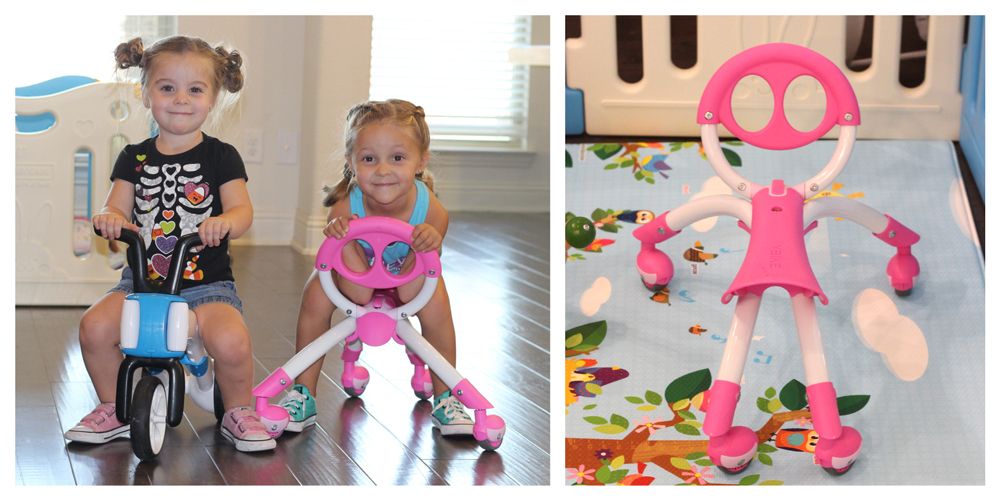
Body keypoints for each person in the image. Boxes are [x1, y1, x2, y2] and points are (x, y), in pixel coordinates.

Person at [63, 35, 275, 453]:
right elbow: (116, 208)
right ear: (145, 94)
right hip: (141, 283)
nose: (181, 99)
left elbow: (242, 211)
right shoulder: (134, 158)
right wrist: (110, 219)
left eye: (194, 89)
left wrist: (223, 221)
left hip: (206, 285)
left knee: (232, 341)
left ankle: (237, 410)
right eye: (166, 88)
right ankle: (115, 407)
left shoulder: (222, 156)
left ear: (212, 98)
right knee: (94, 327)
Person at [279, 99, 474, 436]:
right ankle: (303, 393)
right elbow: (357, 292)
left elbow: (419, 281)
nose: (383, 170)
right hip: (354, 277)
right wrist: (345, 236)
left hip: (409, 277)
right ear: (351, 163)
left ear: (420, 161)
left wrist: (428, 242)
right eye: (369, 159)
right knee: (315, 297)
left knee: (438, 306)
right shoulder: (344, 205)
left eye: (397, 158)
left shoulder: (432, 212)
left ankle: (447, 397)